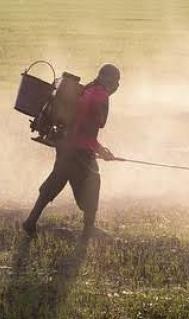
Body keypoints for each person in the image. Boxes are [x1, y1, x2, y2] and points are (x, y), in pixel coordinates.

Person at [22, 64, 120, 237]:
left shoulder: (89, 89)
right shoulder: (100, 96)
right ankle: (88, 230)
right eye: (116, 81)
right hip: (78, 150)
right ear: (110, 81)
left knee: (57, 180)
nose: (117, 86)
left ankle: (31, 221)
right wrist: (102, 151)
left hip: (65, 144)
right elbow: (88, 131)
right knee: (92, 182)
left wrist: (99, 149)